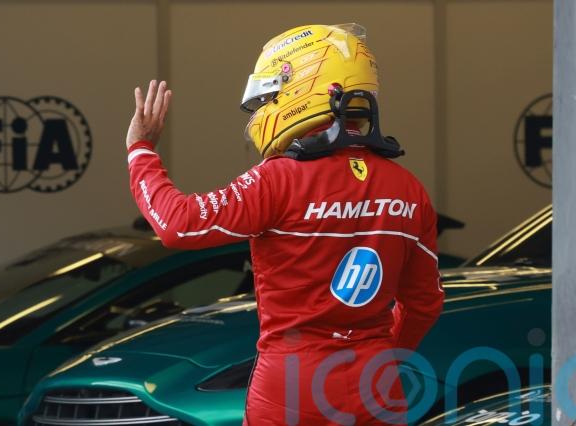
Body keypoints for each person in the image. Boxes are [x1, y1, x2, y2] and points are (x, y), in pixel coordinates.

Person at [126, 24, 444, 425]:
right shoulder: (409, 188)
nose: (264, 109)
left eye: (271, 95)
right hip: (376, 384)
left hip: (292, 384)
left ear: (305, 88)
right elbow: (425, 303)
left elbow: (178, 224)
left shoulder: (278, 179)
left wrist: (140, 151)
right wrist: (379, 356)